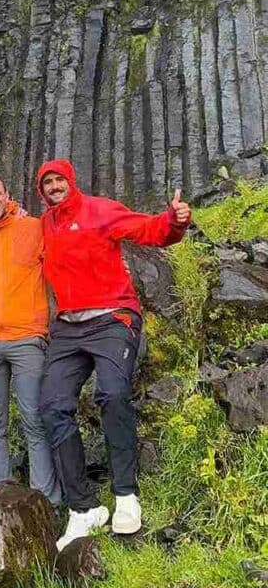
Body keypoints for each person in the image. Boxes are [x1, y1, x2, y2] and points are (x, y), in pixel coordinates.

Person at [36, 159, 191, 548]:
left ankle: (125, 494)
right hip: (69, 326)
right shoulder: (44, 225)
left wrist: (174, 221)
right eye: (47, 182)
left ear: (71, 181)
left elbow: (148, 230)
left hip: (112, 318)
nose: (54, 186)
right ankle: (83, 508)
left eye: (59, 180)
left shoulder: (100, 210)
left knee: (112, 392)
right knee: (52, 406)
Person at [0, 175, 62, 506]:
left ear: (8, 196)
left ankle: (45, 500)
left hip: (27, 338)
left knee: (34, 418)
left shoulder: (33, 227)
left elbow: (63, 255)